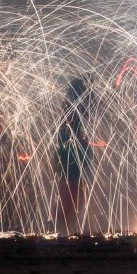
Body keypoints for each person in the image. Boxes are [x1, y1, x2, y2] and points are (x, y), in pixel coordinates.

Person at [56, 75, 92, 235]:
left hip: (71, 161)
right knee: (71, 195)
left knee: (74, 195)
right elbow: (67, 135)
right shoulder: (72, 113)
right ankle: (63, 231)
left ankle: (66, 230)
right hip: (71, 161)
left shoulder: (70, 111)